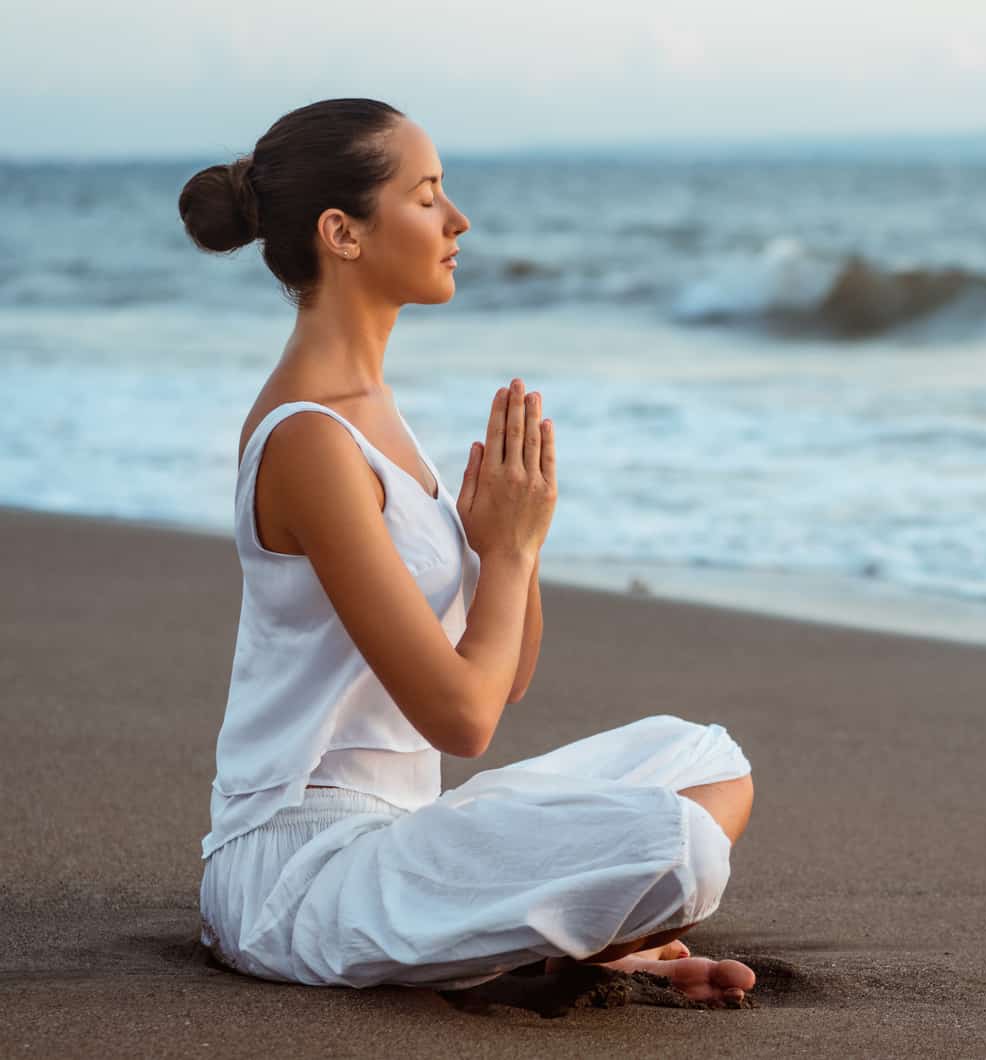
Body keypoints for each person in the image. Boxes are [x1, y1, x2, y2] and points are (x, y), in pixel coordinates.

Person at [178, 98, 757, 1006]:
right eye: (427, 195)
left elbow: (507, 676)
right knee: (679, 847)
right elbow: (463, 720)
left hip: (407, 833)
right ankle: (559, 943)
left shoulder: (375, 416)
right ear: (344, 233)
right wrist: (514, 558)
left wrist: (504, 550)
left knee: (706, 761)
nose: (459, 220)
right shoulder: (310, 442)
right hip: (300, 874)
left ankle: (538, 941)